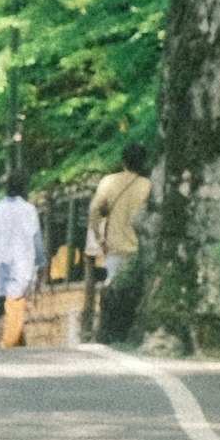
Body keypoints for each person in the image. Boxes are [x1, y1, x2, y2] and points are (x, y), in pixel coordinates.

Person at [88, 146, 152, 345]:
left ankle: (114, 334)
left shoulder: (109, 182)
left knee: (114, 290)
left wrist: (99, 236)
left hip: (115, 247)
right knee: (140, 293)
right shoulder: (149, 185)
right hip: (142, 248)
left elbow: (94, 210)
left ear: (123, 161)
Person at [0, 168, 42, 350]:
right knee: (16, 302)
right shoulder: (28, 210)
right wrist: (41, 264)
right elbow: (36, 239)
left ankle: (12, 344)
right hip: (21, 262)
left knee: (4, 306)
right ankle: (8, 345)